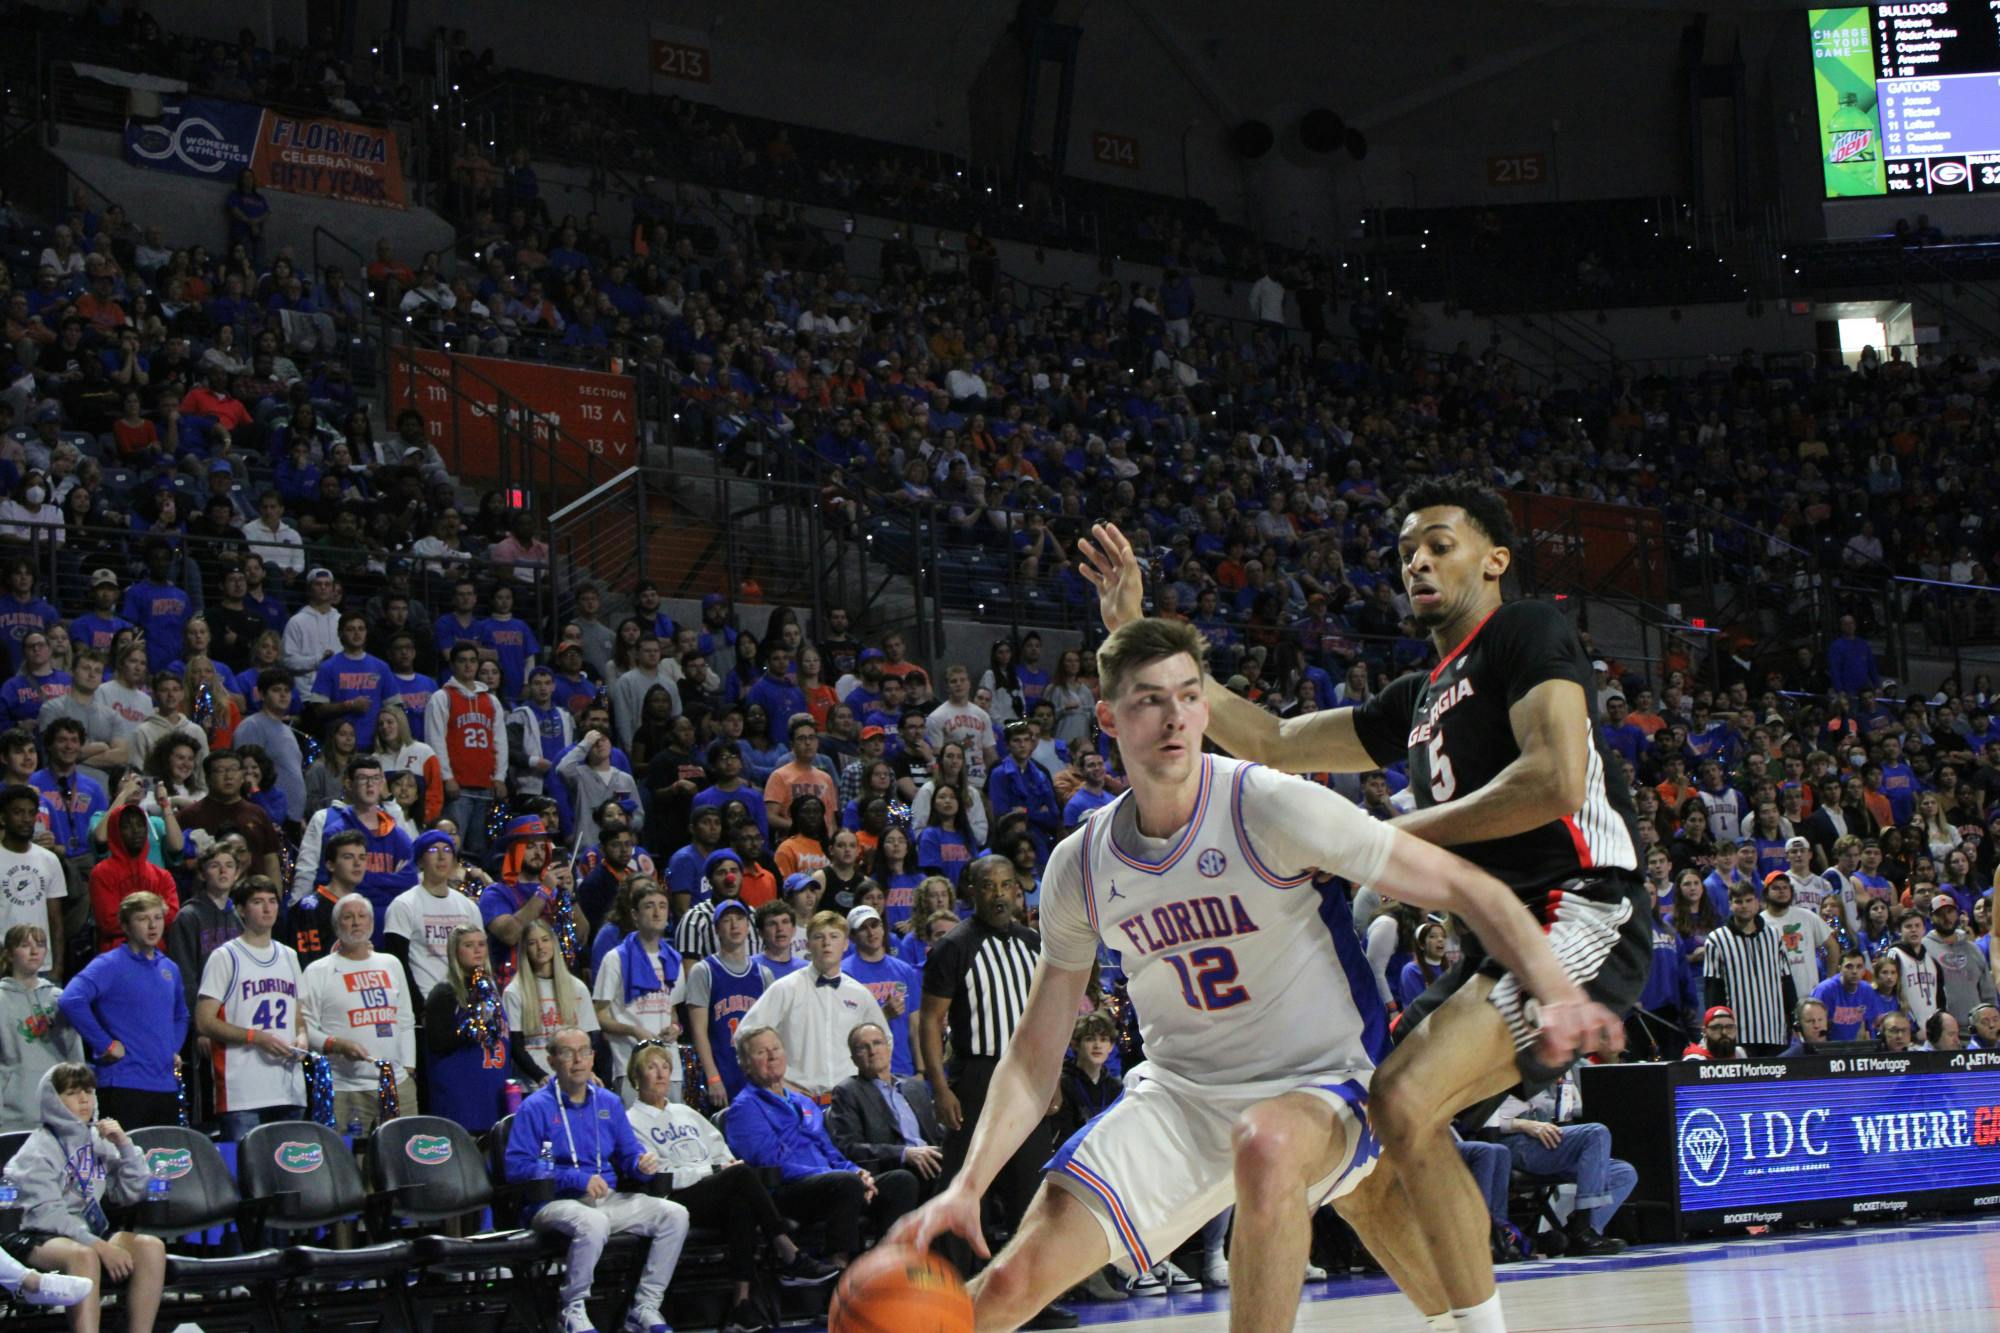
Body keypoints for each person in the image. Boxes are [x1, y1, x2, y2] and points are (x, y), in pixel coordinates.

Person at [897, 616, 1624, 1333]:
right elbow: (1033, 1053)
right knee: (1003, 1287)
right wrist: (968, 1185)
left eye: (1188, 695)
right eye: (1151, 699)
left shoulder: (1270, 804)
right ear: (1109, 717)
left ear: (1207, 709)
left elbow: (1471, 887)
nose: (1175, 716)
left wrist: (1555, 990)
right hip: (1180, 1096)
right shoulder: (1082, 863)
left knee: (1268, 1144)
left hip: (1322, 1083)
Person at [1078, 494, 1644, 1333]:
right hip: (1492, 934)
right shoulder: (1417, 700)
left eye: (1439, 546)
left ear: (1493, 560)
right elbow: (1270, 739)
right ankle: (1458, 1321)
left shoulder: (1525, 633)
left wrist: (1379, 838)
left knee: (1406, 1099)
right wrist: (1140, 630)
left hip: (1580, 904)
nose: (1416, 562)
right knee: (1360, 1149)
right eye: (1406, 550)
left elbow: (1555, 778)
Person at [624, 1042, 836, 1332]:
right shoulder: (631, 1122)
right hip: (673, 1200)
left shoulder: (685, 1112)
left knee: (742, 1204)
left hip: (715, 1188)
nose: (660, 1074)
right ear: (637, 1077)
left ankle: (742, 1304)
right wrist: (711, 1171)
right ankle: (787, 1250)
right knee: (740, 1176)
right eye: (651, 1068)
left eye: (664, 1067)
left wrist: (721, 1168)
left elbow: (720, 1150)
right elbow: (661, 1175)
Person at [503, 1026, 690, 1333]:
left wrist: (643, 1164)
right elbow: (517, 1167)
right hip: (552, 1203)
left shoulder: (609, 1103)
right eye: (567, 1053)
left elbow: (629, 1156)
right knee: (593, 1222)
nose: (577, 1060)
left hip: (606, 1200)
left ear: (593, 1058)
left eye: (584, 1051)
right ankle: (571, 1308)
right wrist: (574, 1178)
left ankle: (645, 1306)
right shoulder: (535, 1107)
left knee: (675, 1214)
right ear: (551, 1061)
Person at [725, 1025, 921, 1265]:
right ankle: (839, 1267)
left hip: (832, 1181)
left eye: (775, 1048)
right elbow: (771, 1164)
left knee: (901, 1181)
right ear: (745, 1064)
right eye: (761, 1052)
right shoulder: (744, 1109)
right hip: (789, 1191)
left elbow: (831, 1152)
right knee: (845, 1184)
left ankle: (882, 1262)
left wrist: (857, 1171)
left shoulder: (802, 1102)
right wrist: (838, 1175)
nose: (772, 1055)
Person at [2, 1064, 161, 1327]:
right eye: (73, 1092)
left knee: (150, 1247)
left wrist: (124, 1146)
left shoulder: (99, 1142)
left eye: (88, 1091)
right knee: (83, 1256)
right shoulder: (37, 1150)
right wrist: (99, 1246)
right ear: (54, 1100)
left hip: (85, 1232)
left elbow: (132, 1192)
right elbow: (47, 1215)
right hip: (35, 1234)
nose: (84, 1099)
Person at [58, 892, 187, 1127]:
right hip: (123, 1084)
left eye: (157, 918)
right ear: (126, 926)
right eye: (142, 918)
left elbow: (181, 1015)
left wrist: (172, 1047)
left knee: (164, 1160)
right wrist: (104, 1044)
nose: (152, 925)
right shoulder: (109, 964)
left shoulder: (169, 968)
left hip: (164, 1085)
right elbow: (71, 999)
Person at [193, 875, 306, 1139]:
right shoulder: (226, 956)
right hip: (242, 1092)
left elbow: (298, 1015)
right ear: (241, 910)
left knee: (290, 1174)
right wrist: (255, 1037)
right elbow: (204, 1021)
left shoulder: (289, 955)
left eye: (272, 901)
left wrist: (302, 1036)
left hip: (288, 1087)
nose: (267, 908)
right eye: (258, 902)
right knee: (246, 1175)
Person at [739, 909, 888, 1102]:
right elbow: (744, 1036)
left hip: (850, 1100)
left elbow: (886, 1041)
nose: (827, 943)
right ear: (808, 944)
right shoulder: (786, 988)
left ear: (845, 944)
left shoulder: (860, 994)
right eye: (819, 937)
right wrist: (778, 1084)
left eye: (834, 936)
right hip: (796, 1100)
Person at [300, 892, 418, 1131]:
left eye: (362, 916)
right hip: (345, 1089)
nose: (356, 922)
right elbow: (304, 1028)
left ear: (372, 924)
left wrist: (407, 1066)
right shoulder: (318, 971)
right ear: (336, 926)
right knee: (352, 1163)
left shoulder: (391, 964)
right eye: (348, 917)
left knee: (402, 1158)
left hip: (396, 1085)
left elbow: (405, 1019)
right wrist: (336, 1044)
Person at [591, 878, 684, 1099]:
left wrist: (675, 1028)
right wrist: (634, 1031)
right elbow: (598, 1016)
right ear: (635, 915)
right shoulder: (615, 959)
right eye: (649, 906)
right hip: (631, 1066)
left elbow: (672, 1013)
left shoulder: (673, 960)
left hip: (670, 1067)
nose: (656, 913)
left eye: (662, 906)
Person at [828, 1020, 946, 1191]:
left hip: (932, 1158)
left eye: (877, 1043)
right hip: (895, 1168)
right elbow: (850, 1148)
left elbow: (937, 1132)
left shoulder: (915, 1087)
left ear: (889, 1048)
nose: (872, 1051)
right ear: (854, 1059)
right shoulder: (848, 1092)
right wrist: (905, 1153)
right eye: (863, 1047)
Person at [422, 924, 510, 1134]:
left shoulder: (491, 990)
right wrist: (470, 1029)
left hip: (492, 1089)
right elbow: (437, 1043)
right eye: (469, 945)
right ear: (455, 952)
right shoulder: (444, 993)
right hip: (460, 1094)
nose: (477, 950)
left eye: (481, 944)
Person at [682, 898, 771, 1103]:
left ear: (748, 926)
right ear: (716, 929)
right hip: (721, 1073)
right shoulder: (704, 971)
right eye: (727, 920)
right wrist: (713, 1077)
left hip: (755, 1075)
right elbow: (698, 1031)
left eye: (739, 919)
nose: (734, 925)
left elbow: (769, 1030)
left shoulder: (763, 974)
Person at [427, 640, 508, 863]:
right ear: (452, 665)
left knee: (480, 849)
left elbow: (500, 741)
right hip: (458, 787)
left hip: (485, 785)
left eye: (473, 661)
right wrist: (447, 776)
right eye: (462, 661)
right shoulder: (442, 697)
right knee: (454, 845)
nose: (468, 666)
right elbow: (436, 740)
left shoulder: (491, 700)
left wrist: (499, 777)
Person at [383, 829, 485, 999]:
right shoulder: (403, 905)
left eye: (447, 850)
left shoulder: (468, 907)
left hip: (466, 1003)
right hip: (426, 1002)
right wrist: (418, 1007)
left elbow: (481, 959)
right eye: (432, 850)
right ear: (421, 861)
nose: (441, 856)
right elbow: (397, 964)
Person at [0, 923, 83, 1131]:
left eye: (40, 944)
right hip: (12, 1117)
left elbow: (75, 1057)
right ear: (9, 954)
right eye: (25, 945)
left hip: (58, 1113)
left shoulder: (59, 999)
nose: (34, 951)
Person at [1704, 882, 1796, 1054]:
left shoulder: (1774, 936)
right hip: (1738, 1036)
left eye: (1748, 900)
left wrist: (1793, 1019)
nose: (1744, 906)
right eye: (1738, 901)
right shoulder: (1717, 940)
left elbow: (1787, 981)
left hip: (1775, 1032)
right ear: (1730, 905)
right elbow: (1712, 989)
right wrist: (1718, 1029)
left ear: (1757, 903)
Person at [503, 918, 596, 1084]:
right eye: (532, 942)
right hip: (531, 1085)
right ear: (525, 949)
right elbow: (515, 1047)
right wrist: (540, 1076)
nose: (540, 947)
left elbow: (589, 1039)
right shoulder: (514, 992)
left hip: (572, 1082)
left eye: (545, 940)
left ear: (553, 943)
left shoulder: (577, 988)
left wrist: (587, 1071)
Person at [843, 904, 924, 1078]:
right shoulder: (844, 974)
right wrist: (882, 1015)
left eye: (875, 925)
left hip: (904, 1069)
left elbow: (915, 1026)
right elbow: (844, 1029)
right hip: (864, 1072)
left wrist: (920, 1070)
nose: (871, 933)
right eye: (863, 928)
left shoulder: (905, 970)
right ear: (852, 936)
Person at [0, 783, 65, 977]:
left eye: (31, 813)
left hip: (42, 965)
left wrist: (58, 966)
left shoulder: (49, 859)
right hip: (4, 964)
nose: (26, 819)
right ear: (3, 818)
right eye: (18, 812)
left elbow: (56, 919)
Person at [1811, 948, 1898, 1042]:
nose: (1854, 971)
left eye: (1859, 966)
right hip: (1828, 1048)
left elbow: (1870, 1026)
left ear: (1864, 970)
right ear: (1840, 969)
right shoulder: (1825, 990)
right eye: (1849, 966)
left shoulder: (1867, 990)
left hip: (1855, 1048)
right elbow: (1814, 1027)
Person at [1680, 1006, 1748, 1061]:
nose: (1724, 1032)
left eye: (1729, 1027)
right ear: (1704, 1031)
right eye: (1716, 1028)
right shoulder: (1694, 1060)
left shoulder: (1740, 1054)